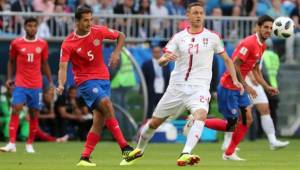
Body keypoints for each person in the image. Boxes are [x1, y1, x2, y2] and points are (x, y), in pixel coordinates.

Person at [120, 2, 243, 166]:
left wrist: (235, 80)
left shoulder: (213, 37)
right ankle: (139, 149)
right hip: (176, 87)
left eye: (201, 13)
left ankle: (185, 153)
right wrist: (165, 59)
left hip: (199, 87)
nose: (198, 16)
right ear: (188, 15)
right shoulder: (178, 37)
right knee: (154, 123)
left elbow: (227, 60)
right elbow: (162, 59)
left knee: (200, 115)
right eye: (195, 13)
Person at [56, 5, 138, 167]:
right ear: (77, 21)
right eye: (85, 20)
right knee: (107, 105)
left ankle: (84, 157)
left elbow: (121, 35)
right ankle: (125, 148)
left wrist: (116, 53)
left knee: (99, 120)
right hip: (86, 82)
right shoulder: (68, 43)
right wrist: (60, 84)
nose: (89, 23)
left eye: (90, 19)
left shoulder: (98, 31)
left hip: (104, 80)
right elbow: (63, 67)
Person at [214, 15, 279, 161]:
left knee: (247, 120)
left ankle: (229, 153)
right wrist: (247, 86)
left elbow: (255, 70)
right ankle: (198, 120)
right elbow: (234, 65)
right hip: (229, 86)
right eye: (265, 27)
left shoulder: (263, 46)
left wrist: (267, 87)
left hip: (239, 87)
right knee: (232, 123)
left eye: (271, 28)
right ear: (258, 27)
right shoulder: (249, 43)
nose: (268, 30)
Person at [0, 17, 53, 153]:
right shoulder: (16, 43)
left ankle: (29, 144)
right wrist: (9, 78)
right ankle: (12, 143)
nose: (32, 28)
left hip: (36, 85)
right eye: (29, 26)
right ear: (24, 27)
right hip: (20, 83)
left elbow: (45, 64)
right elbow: (11, 61)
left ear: (37, 28)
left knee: (34, 114)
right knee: (16, 108)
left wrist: (51, 82)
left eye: (34, 26)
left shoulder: (43, 44)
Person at [141, 45, 170, 119]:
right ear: (152, 53)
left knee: (161, 110)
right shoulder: (147, 64)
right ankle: (148, 124)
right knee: (149, 110)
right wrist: (142, 91)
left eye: (158, 52)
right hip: (151, 90)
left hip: (162, 89)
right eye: (155, 52)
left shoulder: (165, 64)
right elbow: (143, 79)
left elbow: (167, 77)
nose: (157, 54)